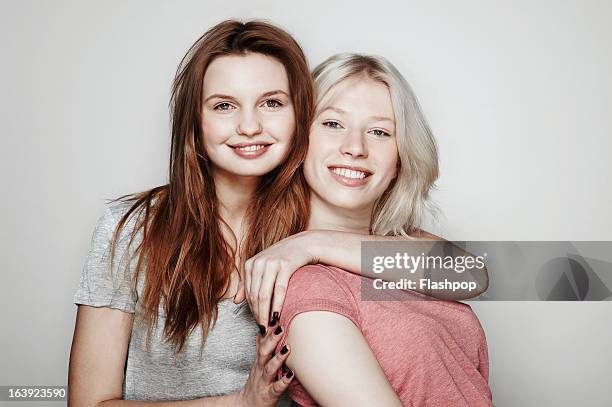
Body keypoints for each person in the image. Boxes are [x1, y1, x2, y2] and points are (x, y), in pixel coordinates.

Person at [68, 20, 314, 406]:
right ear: (194, 122)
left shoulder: (322, 224)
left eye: (271, 102)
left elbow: (444, 270)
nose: (249, 126)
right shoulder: (130, 229)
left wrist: (320, 240)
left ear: (299, 114)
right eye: (224, 106)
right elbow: (88, 403)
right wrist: (240, 402)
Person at [245, 54, 493, 406]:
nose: (355, 148)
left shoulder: (401, 243)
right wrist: (307, 248)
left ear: (399, 159)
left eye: (379, 131)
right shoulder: (306, 285)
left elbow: (473, 276)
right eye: (333, 124)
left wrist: (313, 241)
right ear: (300, 141)